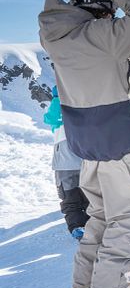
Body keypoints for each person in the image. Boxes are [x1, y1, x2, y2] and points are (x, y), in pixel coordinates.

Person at [39, 0, 130, 288]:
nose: (115, 12)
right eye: (110, 4)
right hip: (119, 140)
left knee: (101, 216)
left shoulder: (59, 35)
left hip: (88, 145)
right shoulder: (99, 36)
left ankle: (87, 286)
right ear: (100, 0)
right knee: (128, 218)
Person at [44, 85, 88, 240]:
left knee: (77, 197)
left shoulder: (66, 107)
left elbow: (49, 118)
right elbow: (51, 119)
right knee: (78, 196)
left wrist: (57, 98)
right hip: (75, 161)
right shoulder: (76, 107)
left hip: (73, 162)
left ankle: (83, 226)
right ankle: (83, 225)